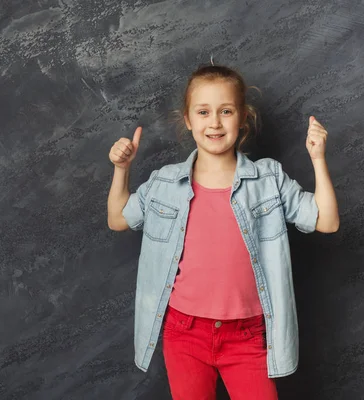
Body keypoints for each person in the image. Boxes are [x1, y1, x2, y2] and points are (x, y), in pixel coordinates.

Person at [107, 64, 339, 400]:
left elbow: (327, 221)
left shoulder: (268, 179)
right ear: (188, 120)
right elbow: (118, 218)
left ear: (243, 117)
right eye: (203, 112)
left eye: (226, 111)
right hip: (184, 332)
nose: (214, 122)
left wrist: (318, 158)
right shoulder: (165, 183)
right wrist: (121, 170)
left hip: (246, 335)